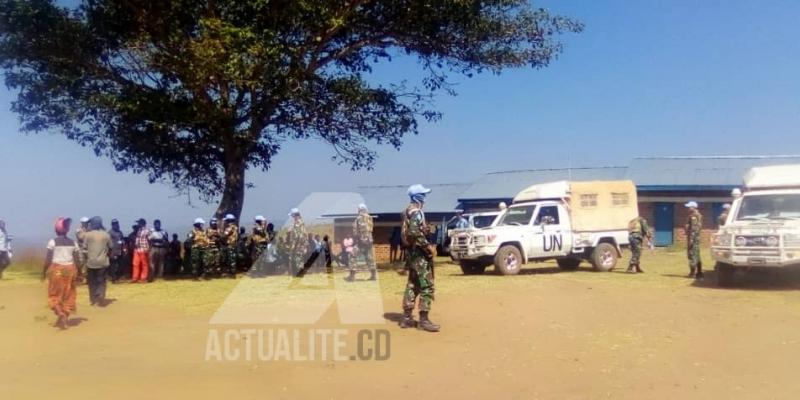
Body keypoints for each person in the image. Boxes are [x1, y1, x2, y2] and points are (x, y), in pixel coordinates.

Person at [400, 184, 440, 332]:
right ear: (418, 197)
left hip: (411, 253)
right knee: (427, 286)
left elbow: (411, 232)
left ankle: (407, 318)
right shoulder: (417, 212)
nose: (425, 198)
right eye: (423, 195)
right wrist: (427, 246)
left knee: (412, 284)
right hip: (420, 254)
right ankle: (423, 320)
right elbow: (414, 232)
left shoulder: (406, 211)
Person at [42, 217, 80, 330]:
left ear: (56, 230)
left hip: (57, 271)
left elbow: (48, 259)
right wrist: (81, 273)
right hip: (70, 270)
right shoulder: (73, 242)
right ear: (67, 230)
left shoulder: (52, 242)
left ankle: (60, 314)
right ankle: (63, 319)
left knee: (54, 295)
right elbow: (78, 260)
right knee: (69, 295)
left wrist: (44, 271)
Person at [83, 216, 112, 306]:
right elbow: (111, 247)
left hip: (91, 262)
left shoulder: (87, 235)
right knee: (102, 281)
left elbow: (84, 248)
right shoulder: (106, 235)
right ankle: (101, 295)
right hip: (103, 262)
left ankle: (93, 299)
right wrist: (107, 254)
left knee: (92, 282)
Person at [347, 203, 377, 281]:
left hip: (360, 242)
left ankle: (352, 276)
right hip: (369, 241)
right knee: (370, 258)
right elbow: (372, 229)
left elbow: (355, 232)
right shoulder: (370, 218)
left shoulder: (357, 219)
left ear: (359, 209)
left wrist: (358, 239)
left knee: (352, 255)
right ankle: (373, 275)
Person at [685, 201, 704, 280]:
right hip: (696, 238)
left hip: (693, 238)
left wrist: (691, 240)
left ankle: (693, 273)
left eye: (689, 207)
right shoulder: (697, 215)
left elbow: (694, 229)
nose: (688, 208)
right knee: (697, 255)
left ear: (693, 207)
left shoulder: (694, 216)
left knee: (692, 254)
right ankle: (699, 272)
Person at [131, 218, 151, 283]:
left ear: (142, 223)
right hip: (137, 249)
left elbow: (150, 239)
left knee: (144, 264)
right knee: (135, 263)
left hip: (143, 248)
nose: (138, 224)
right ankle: (135, 278)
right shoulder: (139, 230)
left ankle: (143, 278)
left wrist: (148, 248)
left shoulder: (147, 230)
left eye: (139, 223)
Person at [289, 208, 307, 276]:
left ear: (294, 215)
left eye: (292, 216)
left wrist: (293, 246)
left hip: (297, 245)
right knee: (299, 260)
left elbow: (297, 236)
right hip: (301, 245)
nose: (292, 217)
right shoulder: (301, 222)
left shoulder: (297, 223)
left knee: (297, 260)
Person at [221, 214, 239, 278]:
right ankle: (232, 272)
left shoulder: (229, 227)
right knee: (232, 258)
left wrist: (222, 227)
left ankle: (232, 274)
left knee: (231, 259)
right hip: (234, 244)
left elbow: (224, 236)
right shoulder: (235, 227)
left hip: (230, 245)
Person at [108, 219, 125, 283]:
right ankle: (114, 278)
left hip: (120, 251)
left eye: (117, 223)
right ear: (112, 225)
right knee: (113, 266)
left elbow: (122, 240)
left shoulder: (120, 232)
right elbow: (108, 242)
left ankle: (118, 277)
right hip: (113, 251)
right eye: (115, 224)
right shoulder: (110, 233)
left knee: (120, 265)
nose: (116, 225)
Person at [75, 216, 90, 282]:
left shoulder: (89, 230)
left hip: (88, 249)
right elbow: (81, 237)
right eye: (86, 222)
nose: (87, 224)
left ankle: (86, 278)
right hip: (81, 249)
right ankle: (79, 276)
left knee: (88, 264)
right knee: (81, 263)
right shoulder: (79, 230)